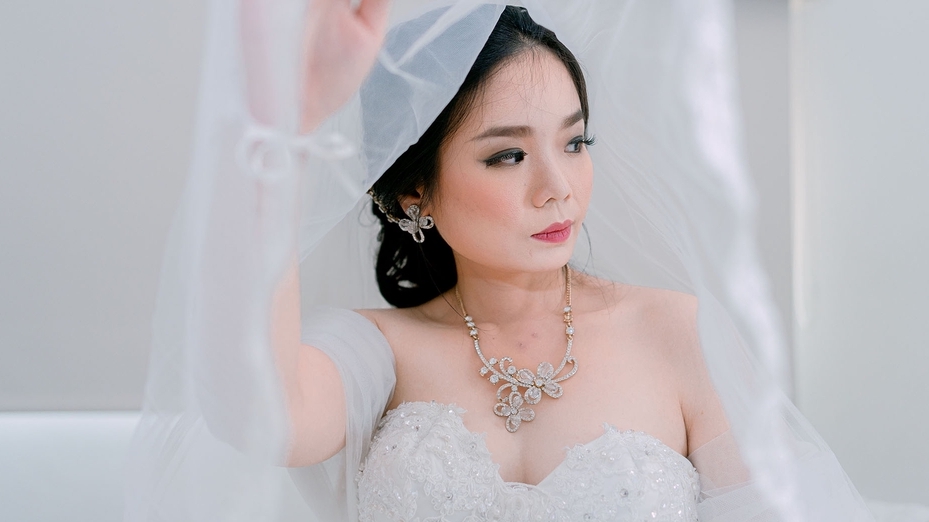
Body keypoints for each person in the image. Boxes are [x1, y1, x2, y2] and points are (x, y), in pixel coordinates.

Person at [125, 1, 876, 521]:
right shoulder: (376, 350)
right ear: (414, 190)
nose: (558, 187)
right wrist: (285, 128)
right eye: (507, 155)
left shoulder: (679, 334)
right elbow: (256, 414)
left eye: (574, 142)